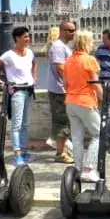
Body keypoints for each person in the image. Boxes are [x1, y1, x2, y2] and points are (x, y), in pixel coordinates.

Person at [0, 26, 38, 166]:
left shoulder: (30, 53)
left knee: (25, 124)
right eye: (26, 36)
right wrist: (1, 83)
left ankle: (24, 150)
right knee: (17, 124)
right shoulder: (9, 55)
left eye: (28, 36)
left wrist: (34, 79)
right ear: (17, 38)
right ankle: (17, 154)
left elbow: (34, 64)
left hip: (28, 90)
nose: (28, 39)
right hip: (16, 91)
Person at [64, 29, 104, 183]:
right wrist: (102, 98)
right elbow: (95, 84)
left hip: (70, 102)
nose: (93, 43)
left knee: (77, 138)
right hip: (85, 101)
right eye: (91, 40)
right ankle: (88, 169)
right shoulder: (89, 60)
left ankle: (79, 169)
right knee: (98, 134)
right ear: (86, 42)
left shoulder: (68, 60)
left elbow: (66, 84)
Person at [46, 21, 75, 163]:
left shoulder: (63, 46)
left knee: (64, 121)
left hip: (61, 89)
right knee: (62, 121)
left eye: (74, 30)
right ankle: (60, 153)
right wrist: (71, 85)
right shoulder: (58, 47)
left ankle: (62, 150)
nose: (73, 33)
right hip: (60, 90)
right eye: (70, 30)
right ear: (62, 31)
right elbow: (60, 68)